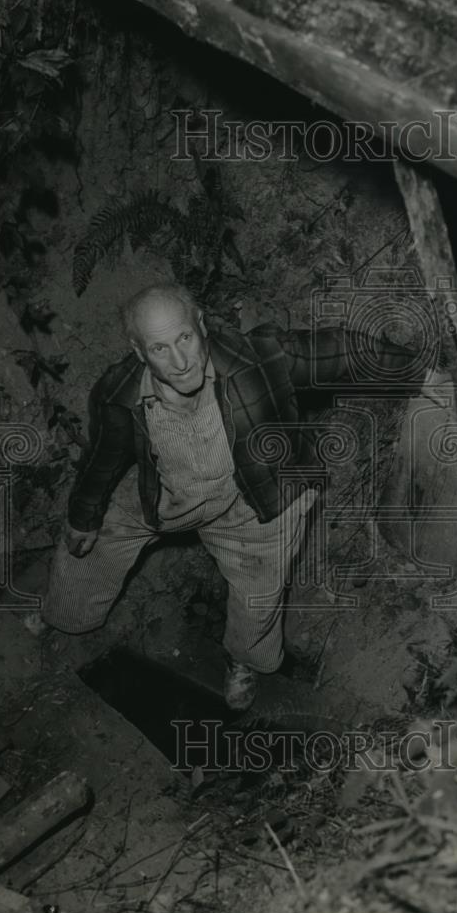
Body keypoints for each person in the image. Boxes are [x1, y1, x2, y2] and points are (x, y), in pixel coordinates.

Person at [43, 281, 423, 710]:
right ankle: (65, 619)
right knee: (90, 541)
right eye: (160, 348)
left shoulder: (256, 359)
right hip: (170, 490)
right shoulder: (118, 394)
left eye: (185, 337)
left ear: (201, 325)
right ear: (138, 351)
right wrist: (83, 514)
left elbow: (340, 351)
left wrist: (420, 372)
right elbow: (103, 458)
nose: (181, 360)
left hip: (254, 497)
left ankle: (242, 660)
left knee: (259, 591)